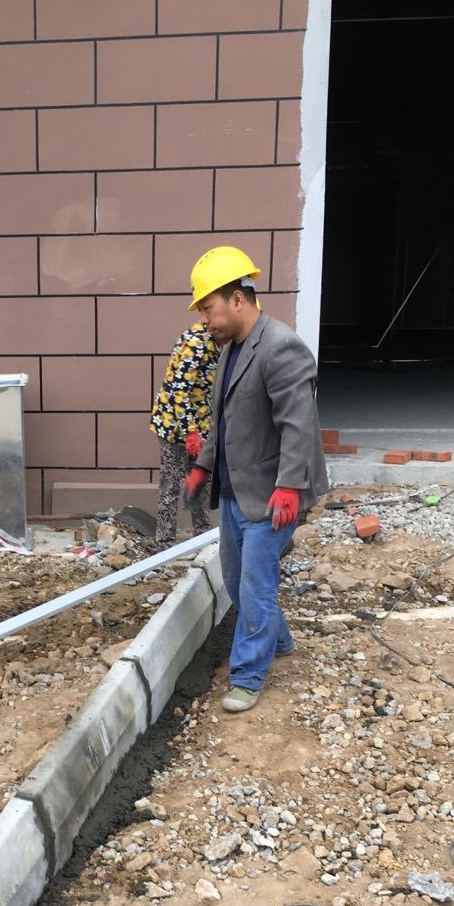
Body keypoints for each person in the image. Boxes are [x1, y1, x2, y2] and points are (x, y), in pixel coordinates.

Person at [181, 245, 328, 713]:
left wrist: (290, 486)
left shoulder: (280, 346)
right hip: (235, 491)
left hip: (273, 494)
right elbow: (223, 422)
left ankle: (247, 676)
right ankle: (278, 641)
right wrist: (203, 466)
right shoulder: (231, 351)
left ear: (238, 299)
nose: (204, 318)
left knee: (254, 586)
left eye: (208, 307)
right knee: (234, 576)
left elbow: (298, 424)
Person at [150, 320, 219, 550]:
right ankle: (164, 545)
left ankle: (202, 539)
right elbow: (179, 391)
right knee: (170, 486)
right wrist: (190, 432)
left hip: (200, 426)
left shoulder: (217, 339)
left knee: (202, 483)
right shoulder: (196, 343)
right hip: (175, 428)